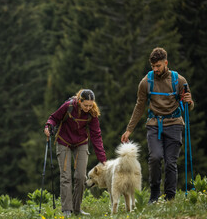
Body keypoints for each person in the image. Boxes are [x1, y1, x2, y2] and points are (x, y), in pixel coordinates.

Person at [121, 47, 194, 203]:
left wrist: (189, 102)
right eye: (153, 66)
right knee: (155, 157)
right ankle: (154, 194)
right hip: (154, 124)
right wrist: (129, 130)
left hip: (174, 123)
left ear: (165, 62)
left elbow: (188, 106)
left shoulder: (179, 80)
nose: (155, 69)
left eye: (158, 66)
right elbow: (139, 106)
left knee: (170, 163)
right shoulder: (146, 82)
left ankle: (170, 196)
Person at [44, 89, 106, 217]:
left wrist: (102, 159)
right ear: (79, 101)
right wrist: (48, 126)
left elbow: (96, 136)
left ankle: (77, 209)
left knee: (81, 176)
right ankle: (67, 209)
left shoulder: (92, 113)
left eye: (90, 105)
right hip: (63, 141)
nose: (88, 108)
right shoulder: (69, 106)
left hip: (81, 142)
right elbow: (53, 118)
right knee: (65, 176)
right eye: (85, 105)